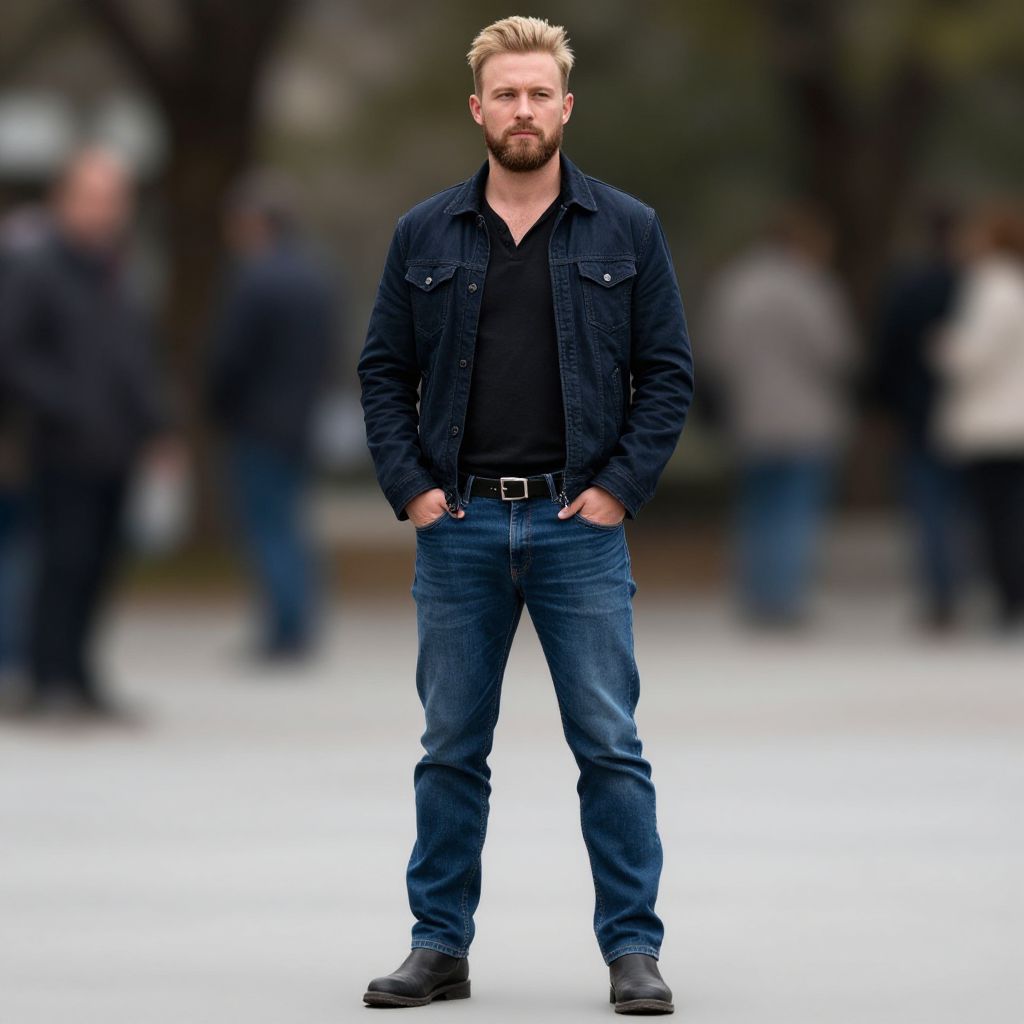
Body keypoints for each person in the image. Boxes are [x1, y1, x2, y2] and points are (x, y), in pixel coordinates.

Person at [357, 16, 693, 1015]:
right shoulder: (425, 233)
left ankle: (633, 951)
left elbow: (668, 373)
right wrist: (412, 488)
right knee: (450, 747)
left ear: (565, 106)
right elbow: (382, 370)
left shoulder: (625, 229)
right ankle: (438, 946)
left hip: (576, 526)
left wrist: (619, 489)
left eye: (538, 94)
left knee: (609, 744)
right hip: (458, 525)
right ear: (477, 108)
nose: (521, 110)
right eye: (504, 94)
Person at [0, 147, 175, 719]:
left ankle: (81, 677)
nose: (106, 210)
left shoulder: (118, 269)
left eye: (116, 198)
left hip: (117, 446)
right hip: (62, 445)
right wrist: (69, 406)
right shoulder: (35, 264)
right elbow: (14, 353)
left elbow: (133, 358)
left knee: (101, 564)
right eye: (94, 196)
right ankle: (47, 680)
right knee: (61, 563)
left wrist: (156, 425)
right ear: (65, 199)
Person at [702, 207, 858, 626]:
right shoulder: (811, 286)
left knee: (756, 508)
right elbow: (835, 352)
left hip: (749, 415)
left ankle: (756, 595)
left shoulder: (734, 285)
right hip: (806, 415)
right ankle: (786, 598)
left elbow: (716, 353)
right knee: (796, 510)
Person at [207, 173, 334, 660]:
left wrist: (218, 405)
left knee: (266, 523)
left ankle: (283, 630)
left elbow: (229, 357)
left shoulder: (254, 278)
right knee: (290, 520)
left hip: (258, 419)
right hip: (301, 417)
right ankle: (298, 619)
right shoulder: (316, 275)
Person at [933, 204, 1024, 632]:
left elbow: (974, 356)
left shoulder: (993, 286)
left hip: (993, 423)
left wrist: (945, 344)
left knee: (997, 519)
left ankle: (1009, 599)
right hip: (1012, 419)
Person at [874, 204, 964, 631]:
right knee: (975, 508)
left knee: (930, 507)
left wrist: (885, 406)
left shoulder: (907, 284)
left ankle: (940, 593)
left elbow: (888, 350)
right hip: (968, 411)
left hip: (918, 410)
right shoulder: (976, 281)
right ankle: (969, 586)